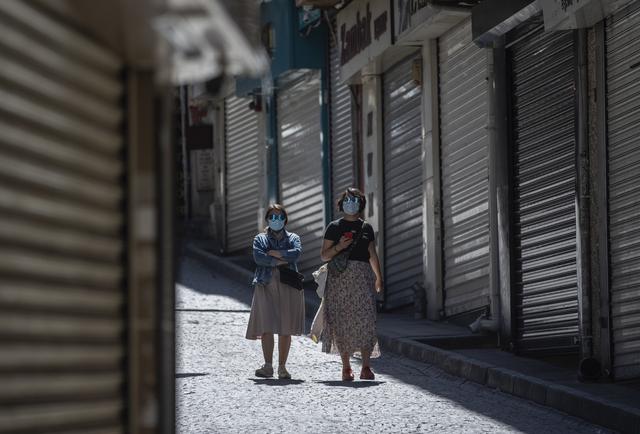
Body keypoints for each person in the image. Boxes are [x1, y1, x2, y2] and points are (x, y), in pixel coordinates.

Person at [320, 187, 383, 381]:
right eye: (347, 199)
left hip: (362, 278)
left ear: (360, 204)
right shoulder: (334, 227)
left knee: (366, 320)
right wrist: (340, 246)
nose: (351, 203)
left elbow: (372, 254)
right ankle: (346, 367)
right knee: (341, 322)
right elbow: (324, 255)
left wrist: (378, 277)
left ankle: (366, 366)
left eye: (355, 200)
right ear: (341, 203)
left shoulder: (366, 228)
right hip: (339, 279)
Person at [246, 204, 304, 379]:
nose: (276, 220)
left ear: (285, 219)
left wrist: (275, 253)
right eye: (272, 217)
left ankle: (282, 367)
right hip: (265, 283)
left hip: (288, 284)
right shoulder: (260, 239)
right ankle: (268, 365)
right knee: (266, 326)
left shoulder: (294, 237)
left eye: (279, 217)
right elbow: (258, 257)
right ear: (267, 219)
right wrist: (280, 259)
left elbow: (296, 253)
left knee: (286, 327)